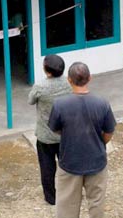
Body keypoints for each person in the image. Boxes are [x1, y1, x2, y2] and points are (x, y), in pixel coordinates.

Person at [48, 62, 116, 218]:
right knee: (97, 203)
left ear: (69, 80)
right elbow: (109, 131)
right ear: (90, 78)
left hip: (69, 161)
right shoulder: (102, 103)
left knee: (66, 206)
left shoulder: (60, 104)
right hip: (97, 161)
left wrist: (70, 135)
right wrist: (100, 142)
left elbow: (55, 128)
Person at [28, 54, 72, 205]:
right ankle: (70, 194)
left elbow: (30, 100)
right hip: (65, 133)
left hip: (45, 135)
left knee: (47, 168)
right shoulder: (68, 83)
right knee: (67, 166)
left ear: (47, 70)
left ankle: (51, 197)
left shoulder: (40, 86)